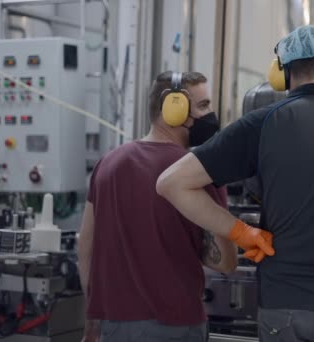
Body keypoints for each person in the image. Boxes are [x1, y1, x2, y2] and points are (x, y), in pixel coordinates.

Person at [157, 25, 314, 342]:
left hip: (284, 308)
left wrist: (240, 232)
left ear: (281, 73)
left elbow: (171, 183)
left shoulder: (261, 123)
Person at [78, 71, 241, 342]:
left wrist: (92, 320)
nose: (211, 114)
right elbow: (226, 263)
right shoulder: (199, 171)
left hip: (114, 325)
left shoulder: (107, 164)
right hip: (175, 326)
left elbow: (86, 248)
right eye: (203, 106)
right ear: (173, 109)